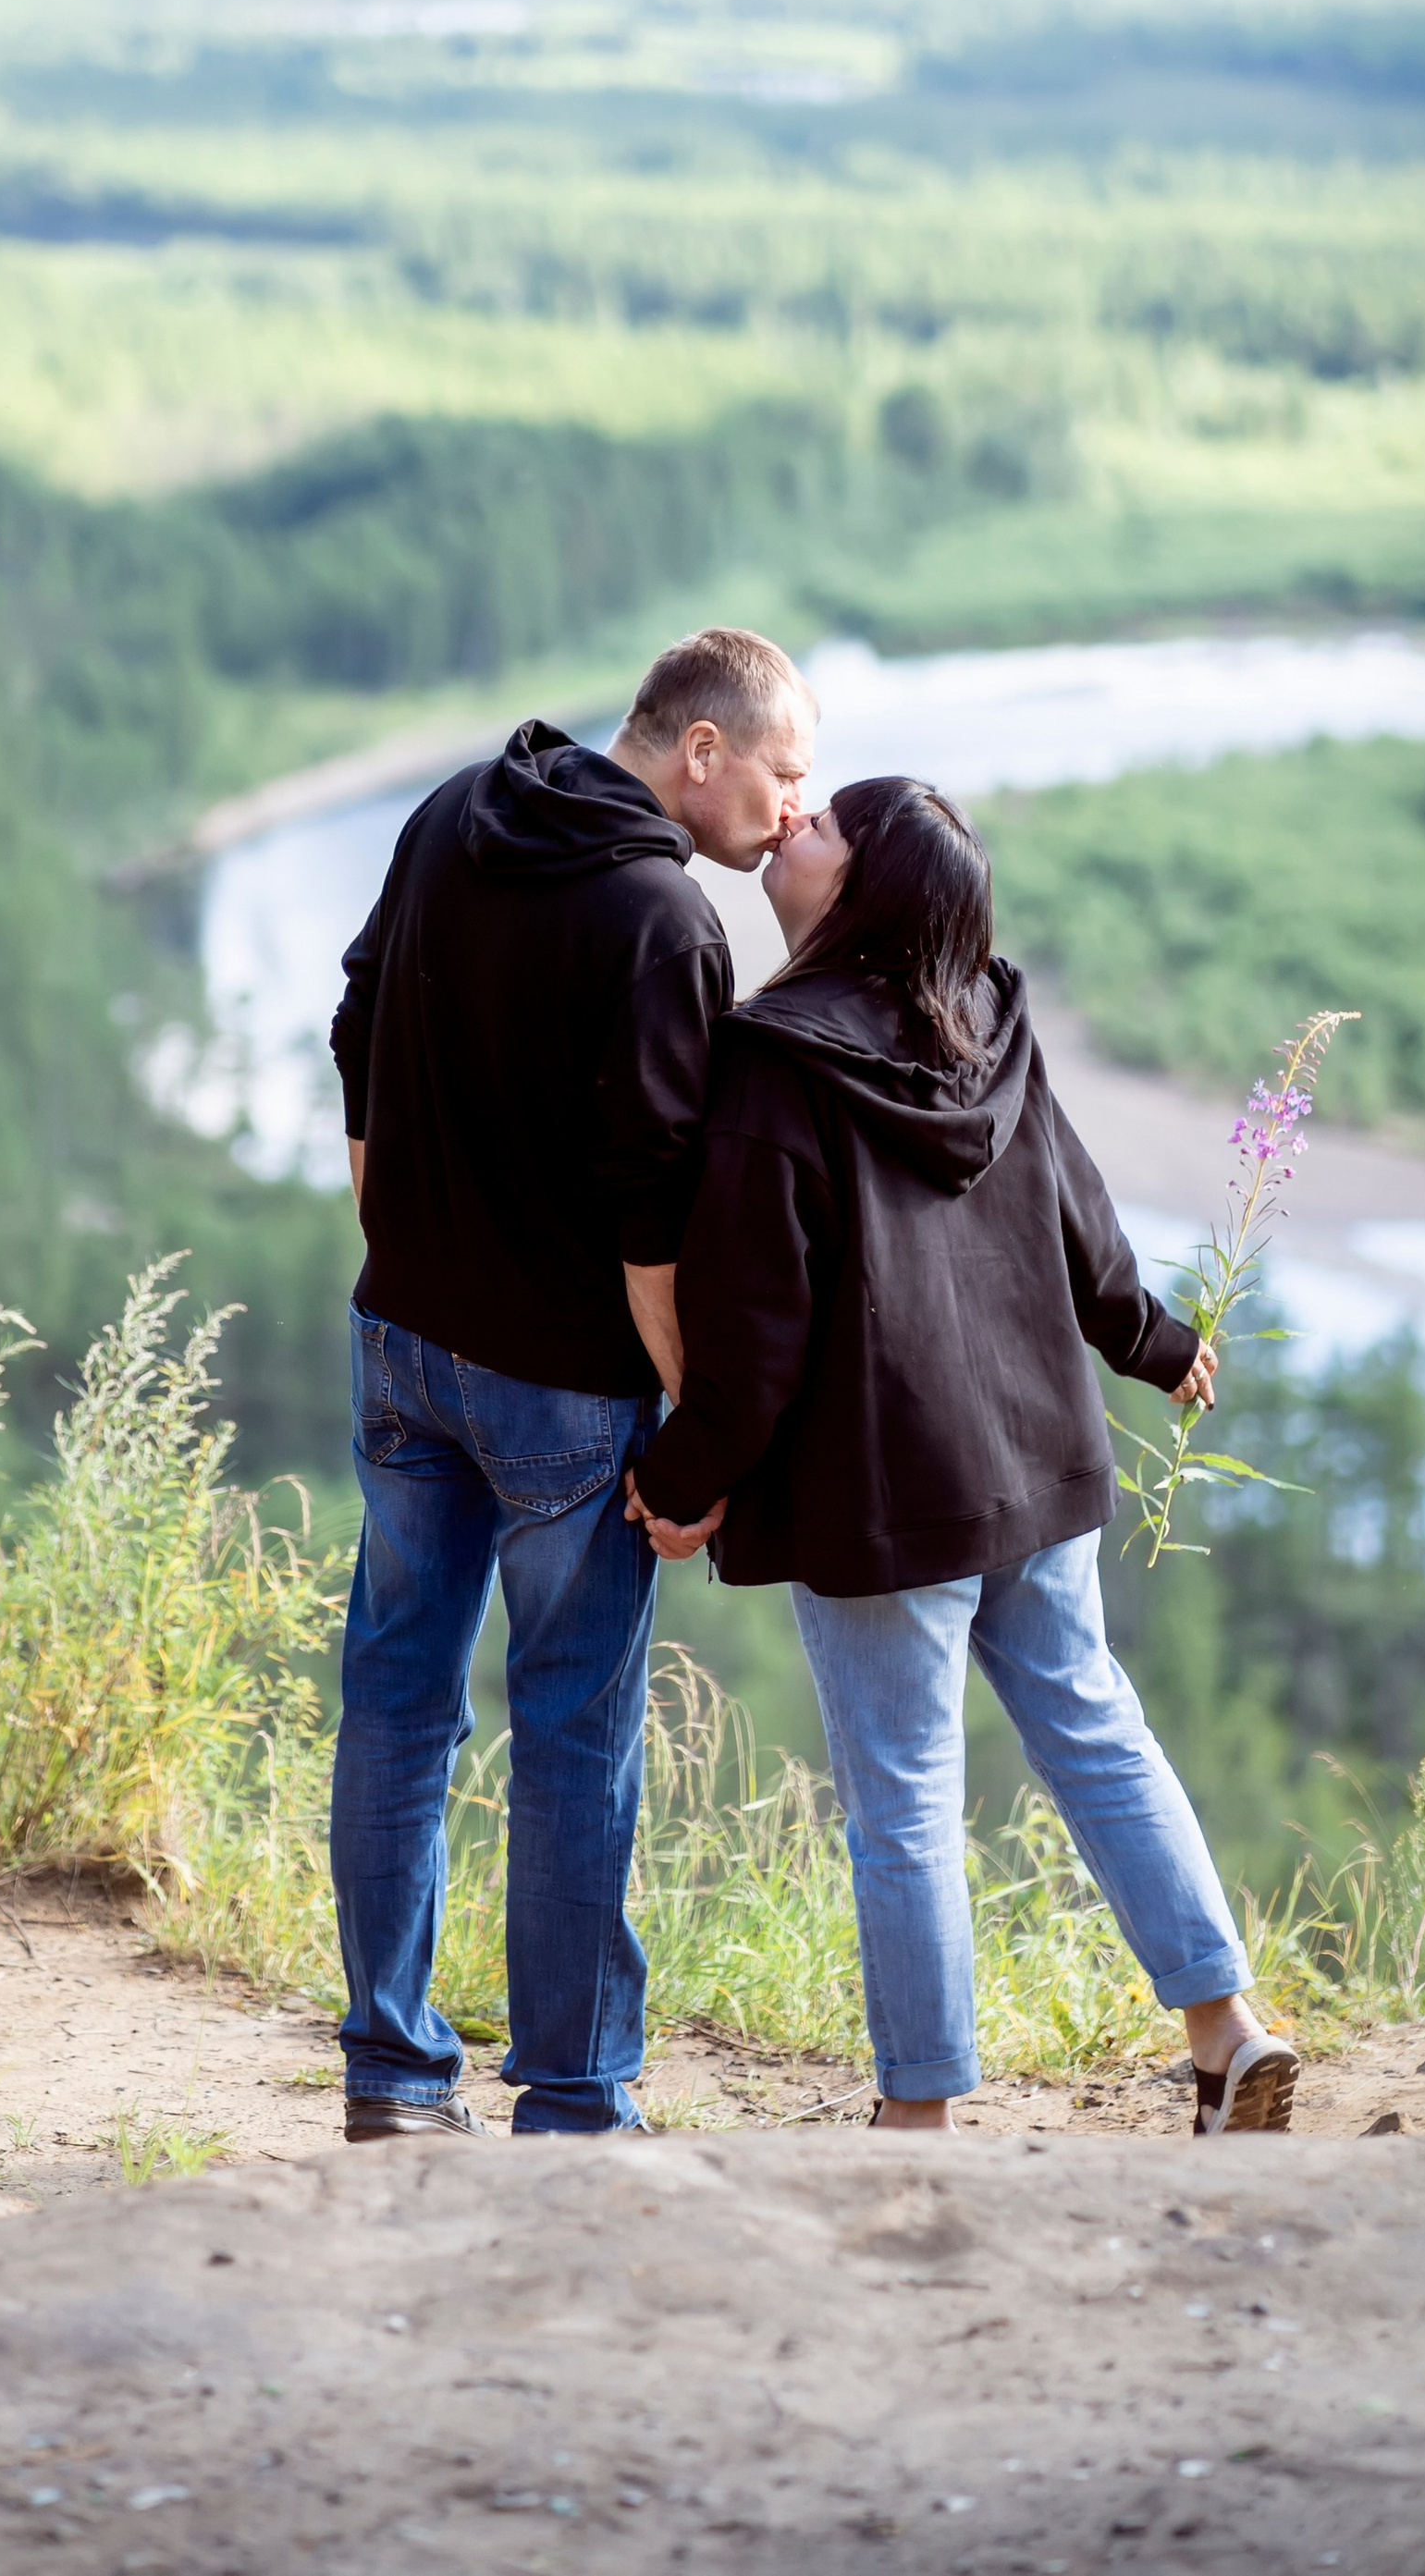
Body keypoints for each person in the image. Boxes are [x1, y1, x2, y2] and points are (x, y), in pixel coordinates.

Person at [627, 775, 1299, 2140]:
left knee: (905, 1800)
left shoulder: (773, 1059)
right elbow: (1077, 1210)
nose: (793, 821)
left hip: (887, 1498)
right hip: (1036, 1457)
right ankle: (1227, 2031)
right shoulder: (991, 1016)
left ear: (859, 886)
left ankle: (919, 2119)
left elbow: (756, 1328)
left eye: (826, 823)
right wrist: (1154, 1341)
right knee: (1099, 1733)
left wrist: (686, 1476)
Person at [326, 628, 817, 2140]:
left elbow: (355, 1028)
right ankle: (575, 2097)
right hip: (565, 1391)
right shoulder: (663, 919)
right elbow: (651, 1215)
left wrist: (391, 1227)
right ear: (703, 752)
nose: (798, 809)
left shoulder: (450, 809)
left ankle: (395, 2076)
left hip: (401, 1342)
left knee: (399, 1701)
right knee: (573, 1730)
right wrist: (687, 1427)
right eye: (786, 772)